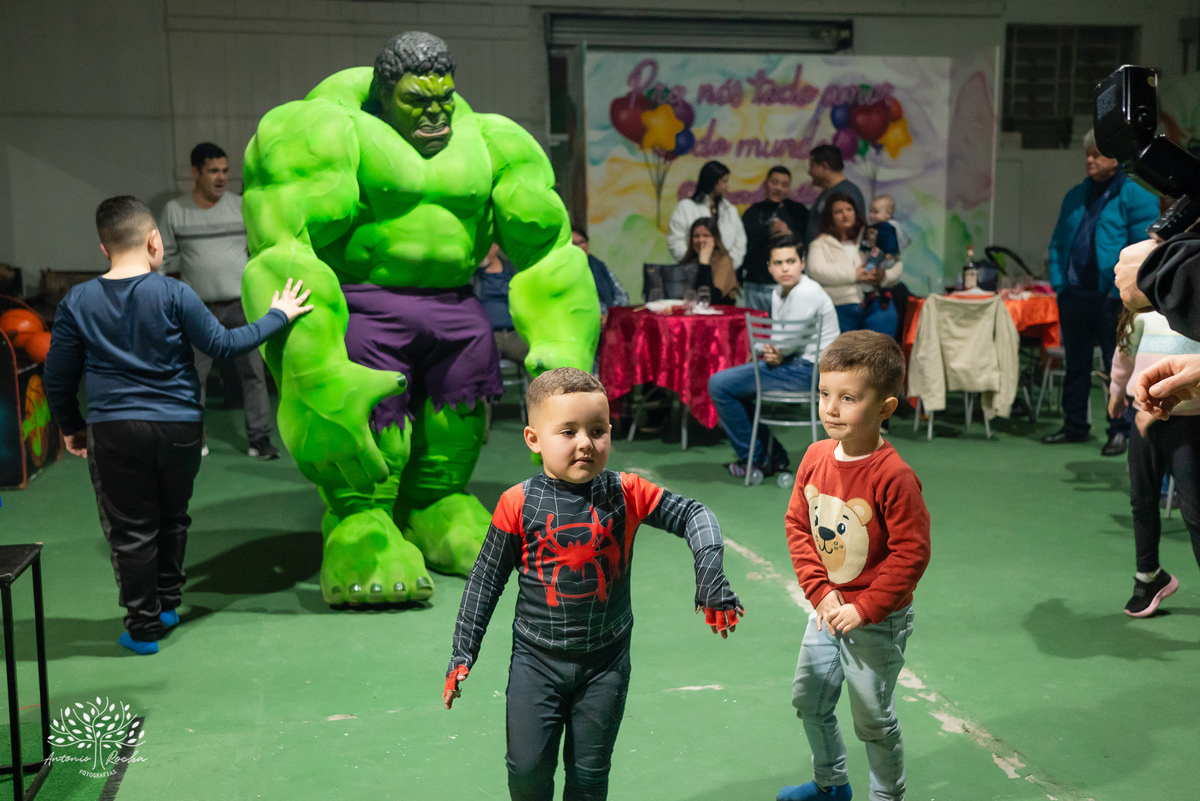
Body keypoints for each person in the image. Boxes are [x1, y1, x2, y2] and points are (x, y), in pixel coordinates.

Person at [241, 31, 600, 605]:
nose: (435, 115)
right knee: (373, 414)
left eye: (443, 100)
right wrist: (312, 364)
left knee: (455, 415)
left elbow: (550, 248)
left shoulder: (492, 141)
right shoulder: (329, 131)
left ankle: (437, 505)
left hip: (457, 306)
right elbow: (282, 248)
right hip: (365, 304)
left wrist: (563, 340)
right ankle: (360, 520)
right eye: (416, 102)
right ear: (387, 93)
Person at [442, 367, 743, 801]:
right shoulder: (518, 503)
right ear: (533, 439)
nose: (586, 442)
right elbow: (485, 581)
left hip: (606, 665)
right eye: (568, 431)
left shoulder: (627, 491)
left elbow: (696, 515)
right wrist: (462, 650)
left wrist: (710, 576)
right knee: (526, 773)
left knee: (588, 779)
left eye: (597, 430)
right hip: (535, 662)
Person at [42, 196, 313, 655]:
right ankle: (167, 603)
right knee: (173, 517)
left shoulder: (78, 301)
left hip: (116, 430)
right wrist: (277, 316)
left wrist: (72, 426)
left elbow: (57, 376)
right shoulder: (174, 292)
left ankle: (144, 626)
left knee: (131, 530)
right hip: (180, 428)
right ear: (155, 242)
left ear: (104, 248)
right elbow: (225, 344)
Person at [780, 330, 931, 801]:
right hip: (826, 610)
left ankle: (888, 795)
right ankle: (831, 785)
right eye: (824, 394)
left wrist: (864, 609)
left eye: (848, 398)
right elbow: (798, 526)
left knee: (872, 718)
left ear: (885, 408)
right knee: (809, 700)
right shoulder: (815, 456)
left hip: (877, 621)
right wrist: (822, 595)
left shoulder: (894, 476)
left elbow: (911, 553)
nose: (830, 408)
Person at [1040, 129, 1159, 455]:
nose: (1090, 161)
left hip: (1113, 297)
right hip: (1074, 294)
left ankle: (1119, 430)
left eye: (1097, 154)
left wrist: (1119, 291)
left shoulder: (1137, 194)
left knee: (1115, 365)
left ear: (1117, 156)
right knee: (1076, 364)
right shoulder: (1076, 194)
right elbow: (1059, 241)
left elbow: (1145, 247)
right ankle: (1075, 424)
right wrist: (1059, 283)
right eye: (1087, 155)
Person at [159, 142, 279, 460]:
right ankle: (194, 439)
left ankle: (260, 438)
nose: (221, 177)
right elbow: (161, 259)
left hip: (242, 305)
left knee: (254, 374)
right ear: (195, 172)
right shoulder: (175, 211)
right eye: (213, 171)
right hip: (196, 310)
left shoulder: (242, 207)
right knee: (193, 377)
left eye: (225, 171)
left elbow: (261, 252)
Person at [708, 235, 839, 479]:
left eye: (791, 261)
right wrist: (769, 350)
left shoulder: (806, 292)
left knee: (719, 385)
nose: (785, 268)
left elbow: (782, 345)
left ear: (802, 263)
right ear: (769, 267)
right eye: (778, 263)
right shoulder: (780, 292)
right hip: (794, 364)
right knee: (731, 387)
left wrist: (766, 349)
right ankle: (769, 457)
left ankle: (756, 460)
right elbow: (778, 342)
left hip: (812, 372)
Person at [1109, 309, 1200, 617]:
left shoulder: (1191, 303)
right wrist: (1116, 390)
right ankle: (1148, 577)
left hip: (1189, 420)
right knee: (1142, 500)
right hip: (1142, 418)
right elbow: (1125, 353)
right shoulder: (1142, 310)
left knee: (1195, 513)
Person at [806, 194, 903, 336]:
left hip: (876, 302)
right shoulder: (821, 243)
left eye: (849, 209)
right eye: (839, 211)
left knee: (878, 350)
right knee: (844, 354)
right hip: (839, 306)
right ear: (830, 217)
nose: (845, 214)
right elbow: (816, 271)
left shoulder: (870, 236)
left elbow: (896, 262)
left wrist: (883, 275)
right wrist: (854, 274)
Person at [741, 165, 810, 311]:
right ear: (766, 183)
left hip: (786, 285)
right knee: (756, 331)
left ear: (788, 188)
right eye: (775, 182)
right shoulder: (752, 213)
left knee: (784, 331)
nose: (778, 188)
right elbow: (743, 248)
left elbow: (807, 246)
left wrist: (789, 234)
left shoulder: (798, 212)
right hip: (755, 284)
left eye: (784, 185)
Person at [667, 160, 747, 271]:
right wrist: (697, 265)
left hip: (724, 275)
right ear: (712, 182)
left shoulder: (729, 210)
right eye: (724, 181)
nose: (726, 186)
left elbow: (740, 243)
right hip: (692, 274)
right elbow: (676, 242)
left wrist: (727, 266)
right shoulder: (686, 208)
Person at [472, 243, 529, 364]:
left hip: (515, 334)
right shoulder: (474, 275)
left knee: (537, 363)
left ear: (495, 247)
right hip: (489, 337)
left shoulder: (513, 270)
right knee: (481, 366)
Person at [803, 144, 865, 247]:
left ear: (824, 166)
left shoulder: (846, 192)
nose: (810, 172)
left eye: (812, 166)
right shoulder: (828, 192)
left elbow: (853, 232)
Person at [571, 226, 629, 323]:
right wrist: (595, 316)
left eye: (582, 242)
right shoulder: (566, 270)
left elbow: (622, 296)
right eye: (574, 243)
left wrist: (610, 316)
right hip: (581, 324)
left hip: (608, 322)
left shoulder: (598, 265)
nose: (579, 246)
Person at [680, 217, 739, 305]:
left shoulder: (724, 261)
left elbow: (712, 297)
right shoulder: (688, 261)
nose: (700, 240)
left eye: (706, 235)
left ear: (715, 239)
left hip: (719, 314)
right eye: (696, 236)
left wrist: (704, 263)